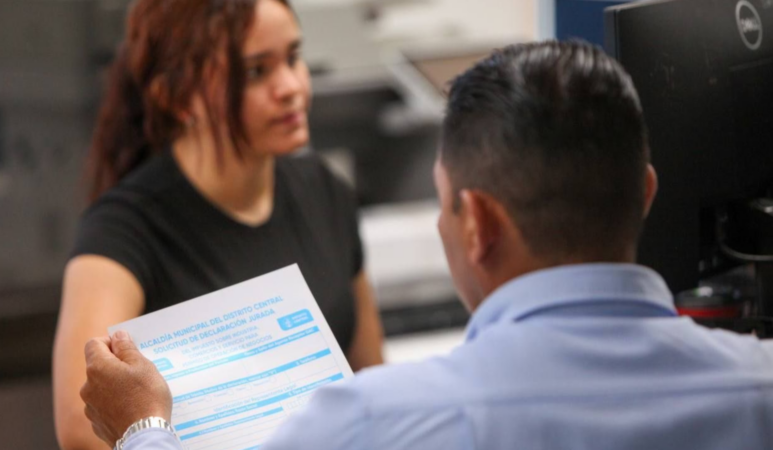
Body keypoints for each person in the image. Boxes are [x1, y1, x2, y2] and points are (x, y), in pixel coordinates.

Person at [80, 40, 773, 450]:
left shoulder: (377, 424)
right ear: (645, 193)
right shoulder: (759, 386)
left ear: (478, 224)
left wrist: (142, 428)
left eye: (445, 204)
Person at [53, 1, 385, 449]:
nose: (291, 87)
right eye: (255, 72)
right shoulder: (120, 231)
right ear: (177, 98)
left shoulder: (325, 190)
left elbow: (372, 381)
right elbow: (82, 426)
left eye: (292, 58)